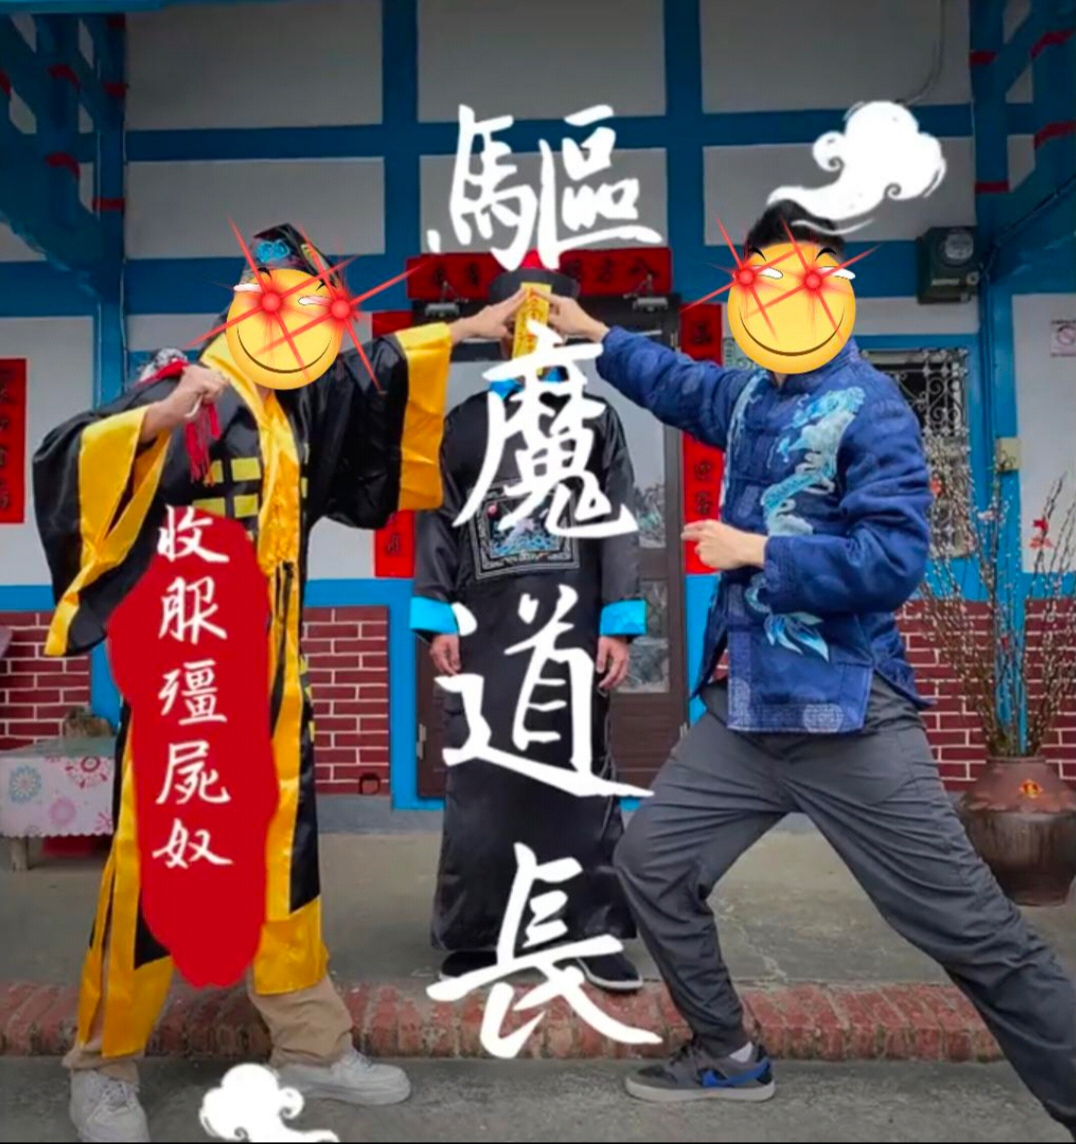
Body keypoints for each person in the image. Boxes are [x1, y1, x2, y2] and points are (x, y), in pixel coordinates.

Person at [546, 201, 1076, 1134]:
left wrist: (757, 550)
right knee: (650, 863)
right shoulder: (754, 395)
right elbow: (680, 382)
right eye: (771, 278)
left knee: (969, 928)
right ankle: (726, 1050)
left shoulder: (871, 406)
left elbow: (893, 559)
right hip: (747, 709)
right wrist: (595, 332)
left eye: (812, 278)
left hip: (848, 711)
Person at [34, 223, 525, 1144]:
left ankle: (310, 1044)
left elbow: (373, 386)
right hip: (190, 683)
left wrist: (462, 332)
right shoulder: (188, 383)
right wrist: (156, 423)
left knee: (283, 866)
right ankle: (102, 1065)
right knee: (156, 867)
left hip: (274, 682)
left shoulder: (291, 401)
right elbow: (73, 454)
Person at [410, 255, 645, 992]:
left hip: (573, 630)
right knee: (484, 780)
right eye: (522, 323)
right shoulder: (464, 425)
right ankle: (481, 932)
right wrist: (437, 618)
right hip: (486, 631)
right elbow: (439, 523)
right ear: (500, 333)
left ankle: (592, 929)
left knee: (578, 776)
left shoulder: (597, 422)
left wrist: (618, 622)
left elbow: (620, 521)